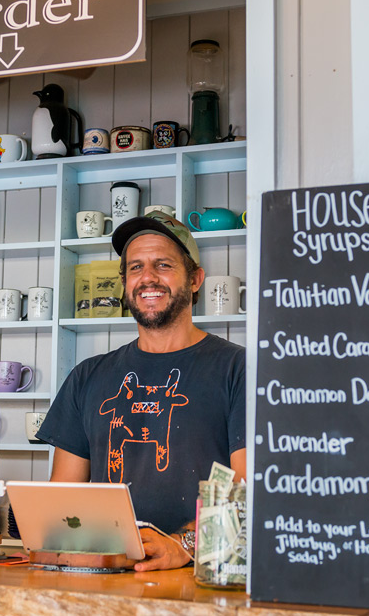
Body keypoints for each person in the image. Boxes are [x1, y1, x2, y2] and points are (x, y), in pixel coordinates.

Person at [36, 211, 246, 572]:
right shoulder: (88, 376)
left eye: (163, 264)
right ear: (124, 283)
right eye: (135, 268)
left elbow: (250, 490)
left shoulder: (237, 369)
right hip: (109, 575)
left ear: (195, 279)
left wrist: (185, 545)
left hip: (203, 576)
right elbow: (63, 500)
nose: (147, 277)